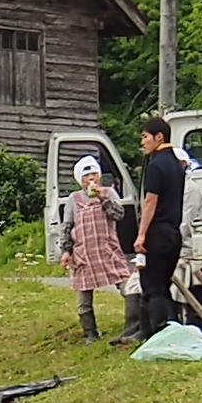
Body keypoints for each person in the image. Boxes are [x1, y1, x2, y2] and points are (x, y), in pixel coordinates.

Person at [55, 145, 132, 340]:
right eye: (87, 176)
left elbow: (118, 214)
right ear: (80, 180)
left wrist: (101, 197)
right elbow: (66, 225)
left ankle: (134, 324)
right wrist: (66, 251)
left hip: (107, 250)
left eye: (94, 175)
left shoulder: (109, 192)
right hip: (83, 254)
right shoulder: (74, 199)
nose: (91, 179)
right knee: (83, 297)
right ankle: (90, 333)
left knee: (127, 286)